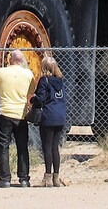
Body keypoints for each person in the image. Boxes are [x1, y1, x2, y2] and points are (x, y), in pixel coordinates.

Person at [0, 49, 35, 187]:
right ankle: (24, 179)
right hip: (21, 115)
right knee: (22, 147)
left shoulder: (1, 72)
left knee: (3, 146)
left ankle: (5, 178)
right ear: (22, 60)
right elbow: (31, 93)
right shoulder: (28, 74)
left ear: (10, 58)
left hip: (5, 114)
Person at [30, 55, 67, 187]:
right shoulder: (60, 80)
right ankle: (56, 178)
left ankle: (47, 178)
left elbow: (40, 98)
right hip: (60, 116)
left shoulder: (44, 80)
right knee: (55, 148)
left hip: (48, 116)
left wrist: (32, 100)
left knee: (47, 147)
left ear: (44, 67)